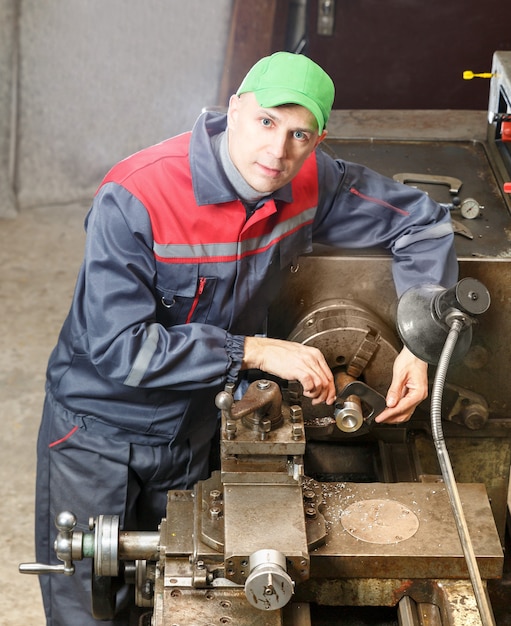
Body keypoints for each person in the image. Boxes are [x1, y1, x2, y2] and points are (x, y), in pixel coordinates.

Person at [35, 51, 457, 624]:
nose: (278, 152)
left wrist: (418, 339)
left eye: (299, 134)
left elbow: (423, 223)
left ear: (318, 138)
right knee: (89, 602)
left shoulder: (309, 181)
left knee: (181, 592)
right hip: (97, 432)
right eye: (266, 122)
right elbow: (119, 349)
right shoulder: (138, 197)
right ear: (234, 110)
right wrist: (253, 351)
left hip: (194, 428)